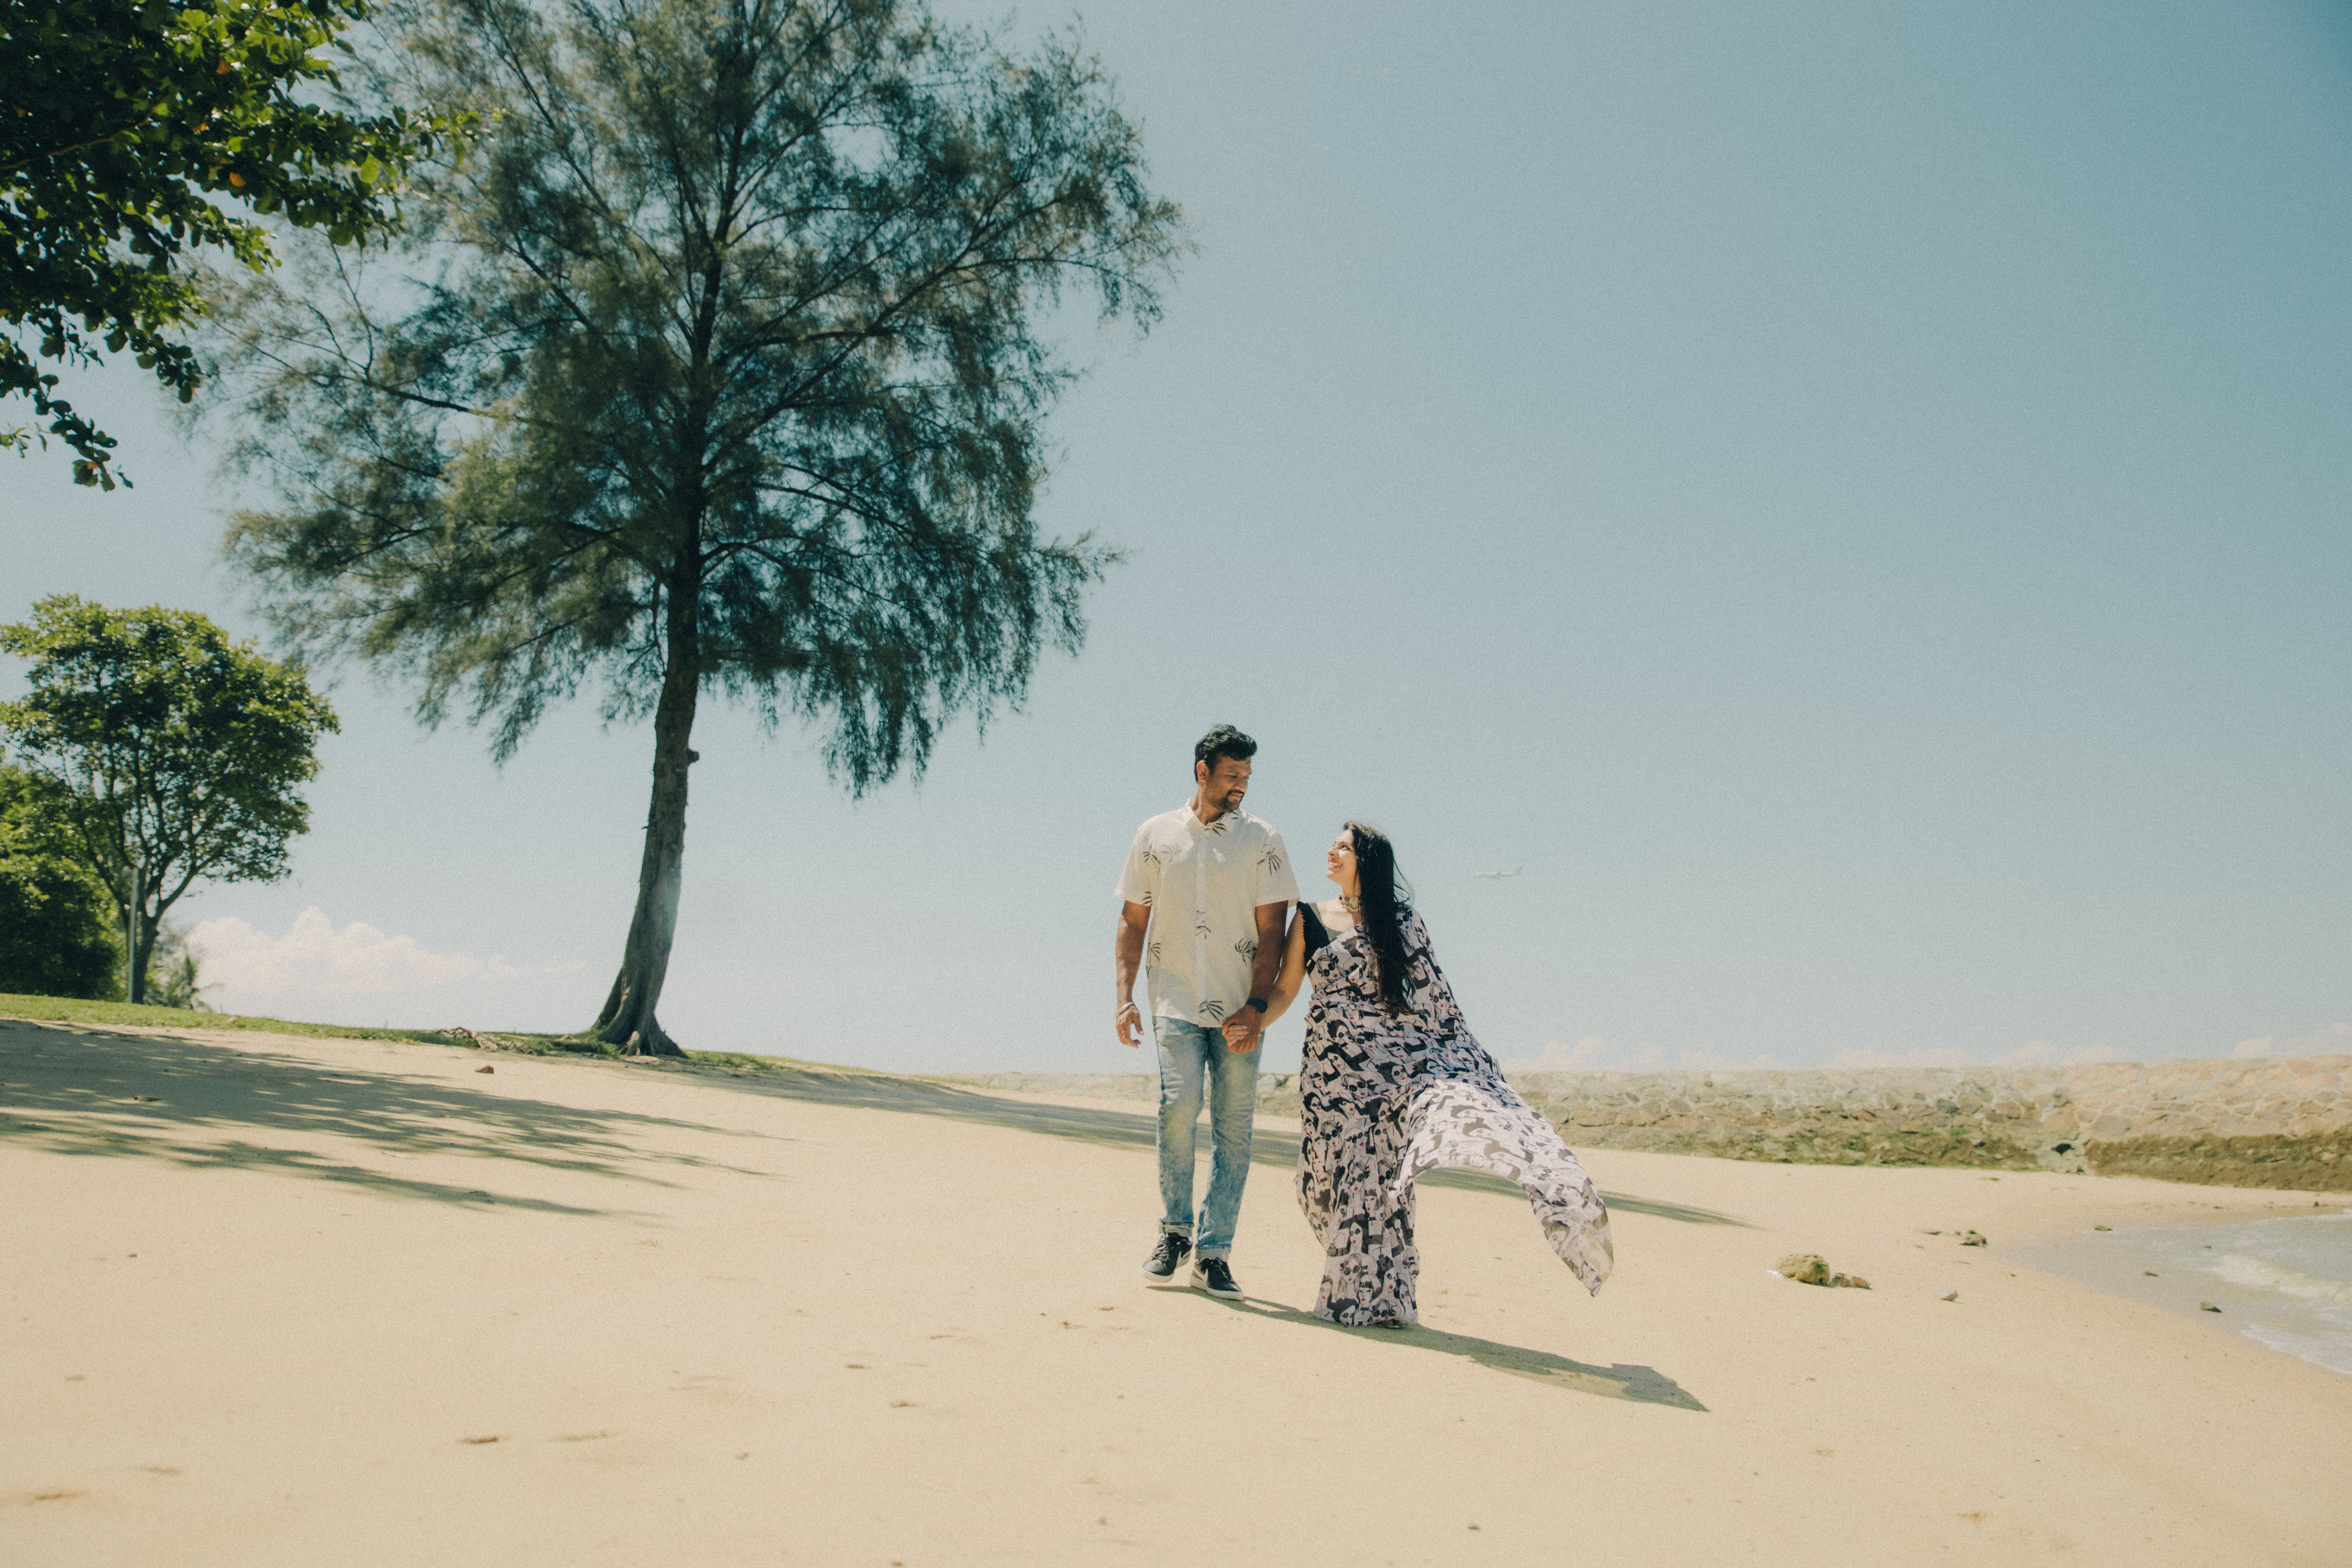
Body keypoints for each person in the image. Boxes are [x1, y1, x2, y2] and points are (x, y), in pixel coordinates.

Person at [1251, 822, 1613, 1326]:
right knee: (1320, 1177)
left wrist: (1464, 1068)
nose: (1332, 852)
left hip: (1391, 1074)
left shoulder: (1403, 921)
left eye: (1344, 847)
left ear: (1367, 860)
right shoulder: (1309, 916)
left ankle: (1375, 1301)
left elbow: (1435, 1003)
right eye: (1333, 844)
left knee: (1378, 1182)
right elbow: (1287, 988)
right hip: (1329, 1073)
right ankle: (1364, 1285)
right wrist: (1253, 1023)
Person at [1115, 725, 1298, 1298]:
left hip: (1240, 1007)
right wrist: (1124, 997)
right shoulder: (1154, 835)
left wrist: (1257, 1006)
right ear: (1202, 771)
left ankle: (1214, 1254)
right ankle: (1175, 1233)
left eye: (1247, 775)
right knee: (1178, 1107)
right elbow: (1133, 920)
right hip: (1173, 998)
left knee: (1233, 1129)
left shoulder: (1263, 841)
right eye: (1232, 775)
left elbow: (1273, 932)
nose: (1242, 784)